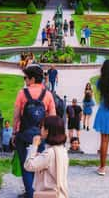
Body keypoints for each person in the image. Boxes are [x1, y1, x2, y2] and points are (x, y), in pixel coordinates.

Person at [13, 65, 56, 198]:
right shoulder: (48, 95)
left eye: (25, 77)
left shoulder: (22, 93)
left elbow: (16, 116)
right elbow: (52, 116)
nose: (24, 80)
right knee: (40, 165)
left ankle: (30, 193)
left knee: (26, 164)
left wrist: (15, 132)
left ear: (31, 79)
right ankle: (38, 192)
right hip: (40, 135)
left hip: (24, 134)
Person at [24, 116, 68, 198]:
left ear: (47, 131)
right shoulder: (62, 150)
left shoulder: (49, 153)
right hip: (60, 193)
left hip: (48, 194)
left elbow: (28, 165)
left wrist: (34, 145)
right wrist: (40, 156)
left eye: (42, 127)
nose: (40, 129)